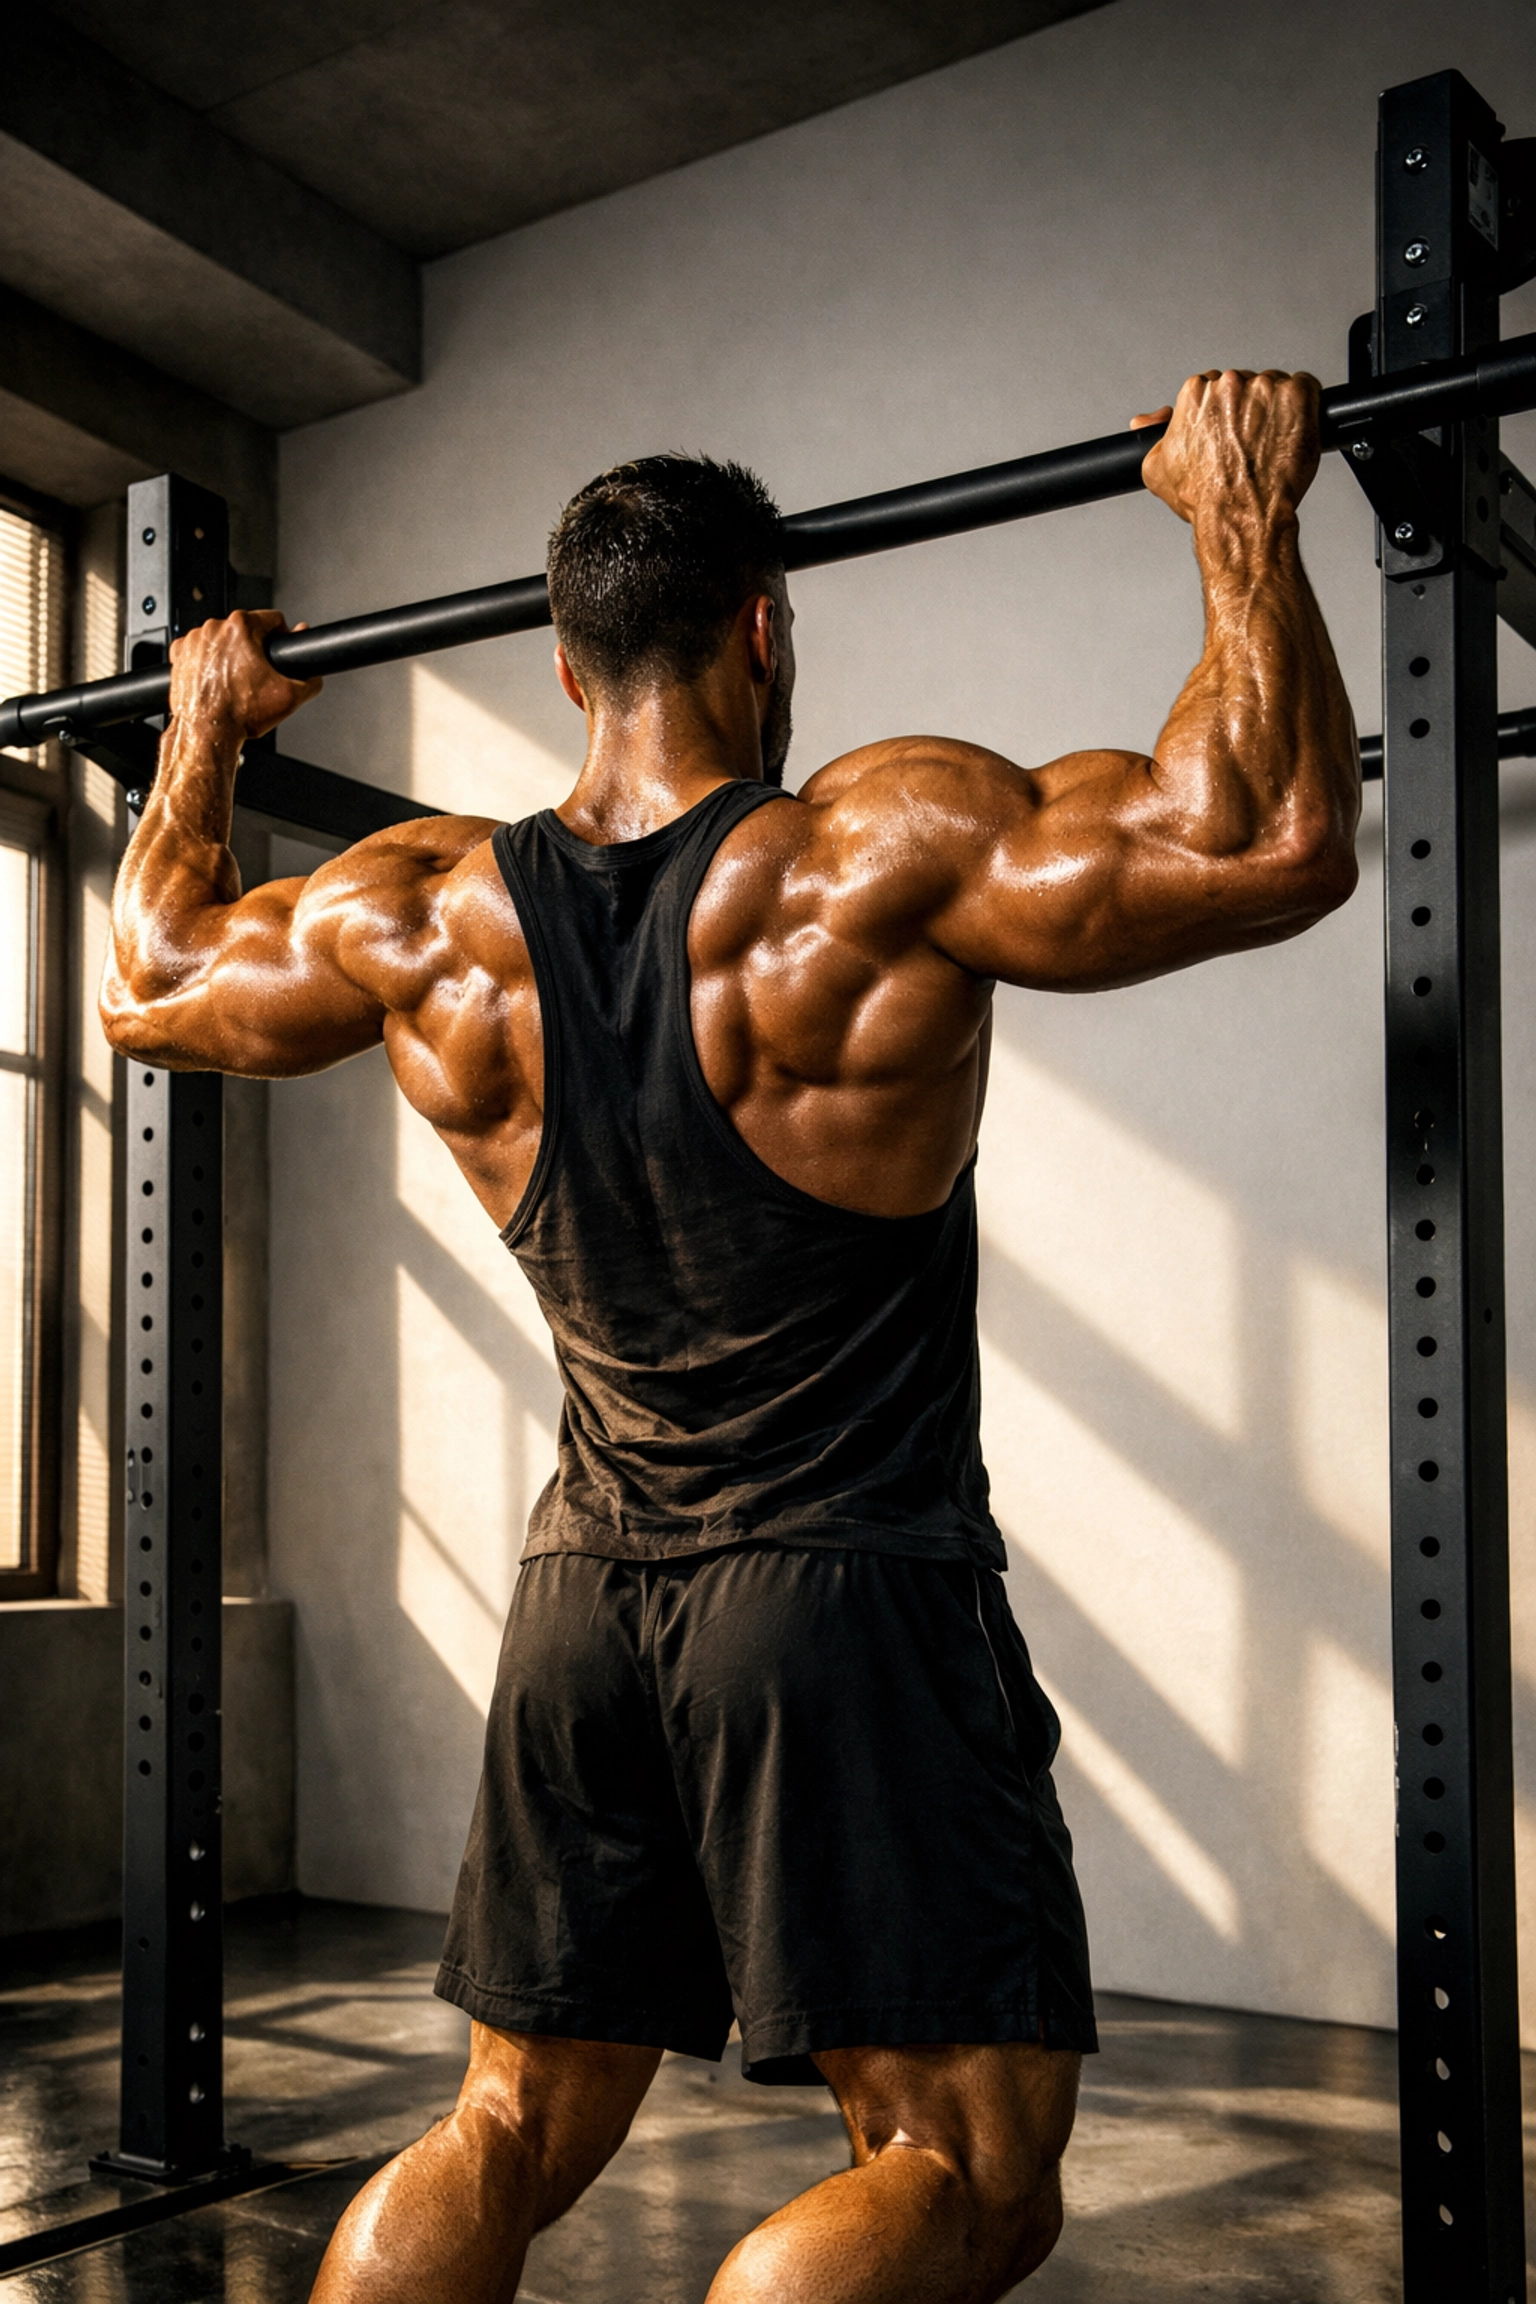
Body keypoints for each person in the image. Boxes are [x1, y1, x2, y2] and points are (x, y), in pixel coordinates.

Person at [102, 368, 1359, 2304]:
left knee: (503, 2131)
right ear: (764, 631)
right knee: (960, 2166)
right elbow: (1265, 834)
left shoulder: (428, 914)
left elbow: (150, 978)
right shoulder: (859, 856)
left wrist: (198, 731)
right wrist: (1242, 511)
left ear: (564, 665)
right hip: (842, 1593)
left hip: (582, 1604)